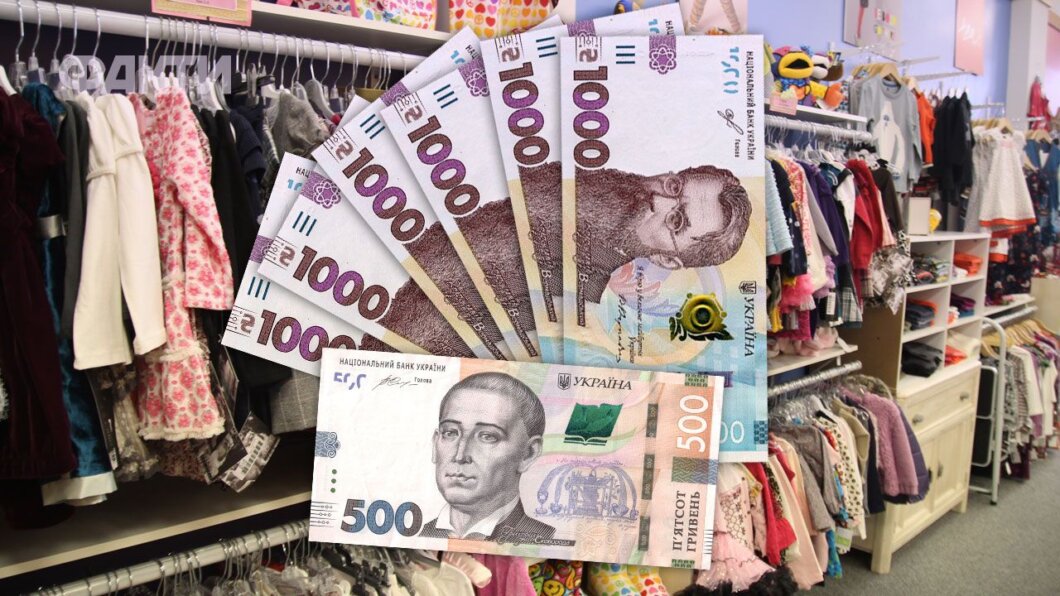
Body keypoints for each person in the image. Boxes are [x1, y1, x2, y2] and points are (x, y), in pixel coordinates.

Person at [419, 372, 557, 541]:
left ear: (528, 454)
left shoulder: (547, 538)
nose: (460, 455)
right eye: (450, 432)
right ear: (435, 444)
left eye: (487, 436)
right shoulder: (419, 535)